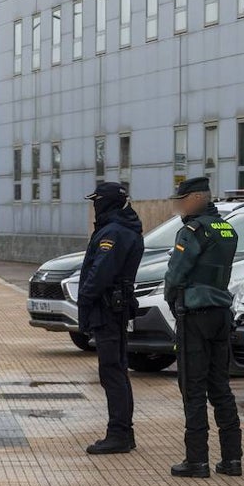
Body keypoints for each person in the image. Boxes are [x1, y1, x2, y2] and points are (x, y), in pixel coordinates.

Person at [164, 176, 242, 478]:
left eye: (182, 201)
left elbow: (176, 274)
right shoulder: (227, 229)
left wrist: (173, 299)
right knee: (220, 386)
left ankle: (197, 460)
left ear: (197, 198)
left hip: (194, 316)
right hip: (221, 313)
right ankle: (232, 458)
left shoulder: (192, 231)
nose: (179, 207)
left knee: (193, 388)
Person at [78, 182, 145, 455]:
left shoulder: (114, 232)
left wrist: (84, 297)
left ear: (105, 203)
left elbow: (100, 273)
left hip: (108, 310)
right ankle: (122, 431)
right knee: (116, 371)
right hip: (114, 309)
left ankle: (119, 433)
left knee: (112, 372)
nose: (94, 207)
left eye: (97, 202)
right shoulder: (123, 227)